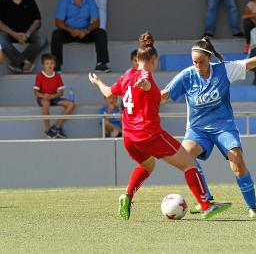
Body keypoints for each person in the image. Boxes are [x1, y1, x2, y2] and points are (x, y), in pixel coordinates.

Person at [88, 32, 231, 221]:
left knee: (147, 165)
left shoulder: (126, 76)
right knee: (189, 163)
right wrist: (146, 85)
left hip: (129, 138)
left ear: (136, 59)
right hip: (149, 134)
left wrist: (97, 81)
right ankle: (206, 205)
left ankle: (128, 195)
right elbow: (146, 83)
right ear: (154, 60)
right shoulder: (145, 75)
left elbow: (108, 93)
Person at [161, 35, 256, 218]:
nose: (198, 66)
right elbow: (163, 95)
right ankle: (205, 200)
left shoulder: (224, 70)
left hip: (224, 127)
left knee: (237, 160)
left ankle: (253, 208)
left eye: (201, 62)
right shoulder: (187, 76)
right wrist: (141, 93)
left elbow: (250, 63)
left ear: (209, 58)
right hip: (198, 130)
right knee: (186, 155)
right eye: (194, 62)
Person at [51, 0, 111, 73]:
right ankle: (56, 65)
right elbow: (58, 21)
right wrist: (70, 30)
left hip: (85, 32)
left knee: (101, 33)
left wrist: (86, 30)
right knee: (56, 34)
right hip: (69, 32)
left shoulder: (90, 1)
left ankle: (101, 63)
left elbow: (96, 22)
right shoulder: (65, 0)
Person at [0, 0, 48, 74]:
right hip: (9, 34)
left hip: (27, 33)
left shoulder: (30, 2)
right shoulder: (3, 2)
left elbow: (37, 21)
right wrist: (14, 34)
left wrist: (28, 34)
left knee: (42, 39)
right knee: (0, 39)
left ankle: (18, 63)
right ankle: (23, 63)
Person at [33, 53, 76, 139]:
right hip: (43, 98)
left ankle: (56, 127)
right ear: (43, 65)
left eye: (52, 63)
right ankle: (48, 130)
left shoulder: (57, 76)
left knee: (71, 104)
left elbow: (61, 92)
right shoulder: (39, 76)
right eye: (47, 63)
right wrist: (44, 96)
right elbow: (35, 92)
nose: (50, 66)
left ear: (55, 64)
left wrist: (52, 97)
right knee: (46, 103)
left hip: (54, 97)